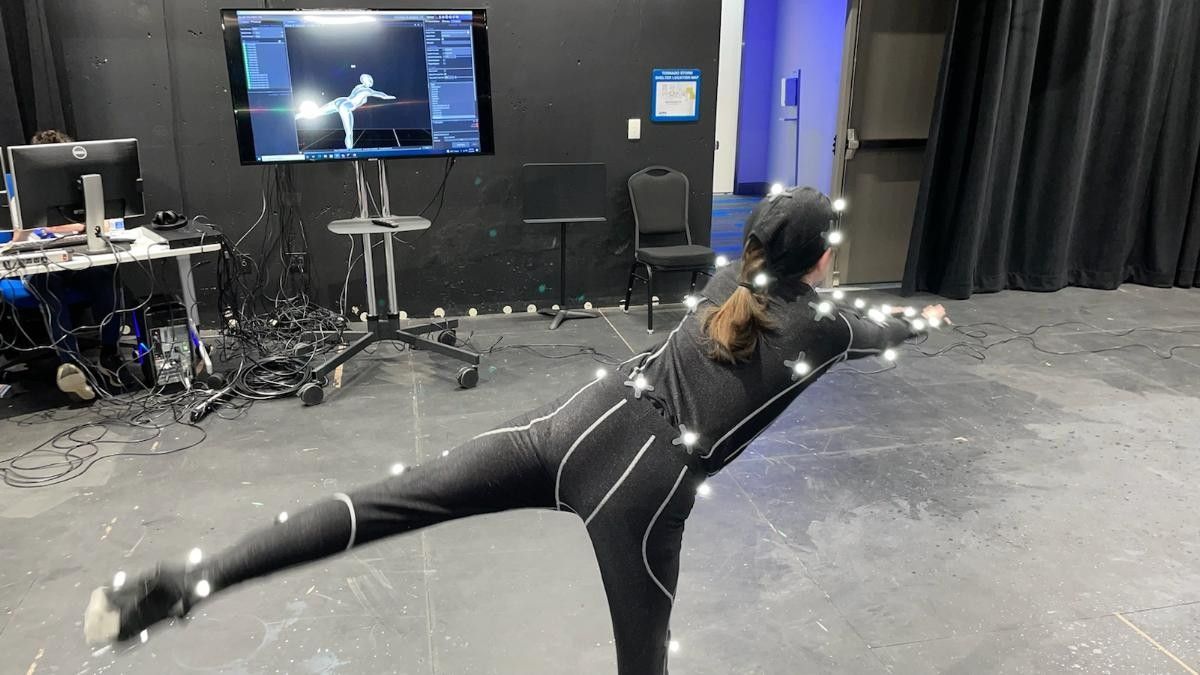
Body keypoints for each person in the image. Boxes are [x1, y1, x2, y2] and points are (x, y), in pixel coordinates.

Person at [83, 187, 946, 673]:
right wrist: (930, 317)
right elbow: (873, 328)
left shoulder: (728, 274)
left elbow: (778, 293)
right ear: (817, 263)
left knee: (382, 501)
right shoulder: (824, 330)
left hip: (576, 420)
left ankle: (191, 582)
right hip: (642, 492)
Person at [0, 130, 124, 400]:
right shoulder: (22, 194)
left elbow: (109, 225)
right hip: (42, 266)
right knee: (49, 286)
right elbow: (16, 240)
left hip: (83, 261)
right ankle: (73, 367)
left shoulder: (89, 189)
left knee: (106, 277)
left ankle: (110, 354)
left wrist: (85, 224)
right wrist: (27, 225)